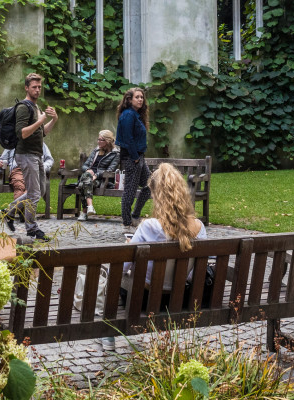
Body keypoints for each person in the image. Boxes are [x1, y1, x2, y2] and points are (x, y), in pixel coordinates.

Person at [124, 163, 207, 297]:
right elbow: (194, 274)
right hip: (180, 298)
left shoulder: (149, 226)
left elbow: (122, 268)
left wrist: (128, 249)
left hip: (145, 298)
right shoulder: (199, 226)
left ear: (156, 195)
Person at [7, 73, 57, 241]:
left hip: (37, 155)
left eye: (39, 87)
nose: (37, 90)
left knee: (40, 190)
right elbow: (21, 133)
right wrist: (40, 120)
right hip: (26, 155)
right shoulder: (23, 107)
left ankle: (8, 211)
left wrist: (53, 120)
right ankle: (32, 229)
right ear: (27, 88)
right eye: (34, 87)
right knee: (34, 194)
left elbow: (42, 133)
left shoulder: (37, 108)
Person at [115, 86, 150, 230]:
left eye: (141, 97)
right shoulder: (128, 115)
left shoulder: (135, 115)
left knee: (149, 185)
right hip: (131, 158)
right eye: (137, 97)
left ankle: (135, 215)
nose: (140, 99)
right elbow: (128, 139)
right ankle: (127, 221)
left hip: (139, 157)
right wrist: (135, 158)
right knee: (129, 190)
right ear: (129, 100)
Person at [0, 142, 53, 226]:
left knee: (31, 190)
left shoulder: (40, 142)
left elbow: (49, 159)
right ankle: (25, 217)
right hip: (17, 170)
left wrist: (43, 167)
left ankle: (11, 211)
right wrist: (0, 163)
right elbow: (1, 159)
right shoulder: (13, 142)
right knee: (20, 188)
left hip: (34, 169)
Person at [74, 129, 119, 221]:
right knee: (86, 179)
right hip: (89, 177)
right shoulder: (96, 151)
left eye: (100, 140)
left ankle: (85, 212)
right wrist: (88, 170)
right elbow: (85, 165)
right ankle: (90, 207)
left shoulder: (116, 154)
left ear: (107, 141)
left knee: (82, 184)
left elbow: (110, 170)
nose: (98, 141)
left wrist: (96, 175)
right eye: (98, 139)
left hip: (102, 180)